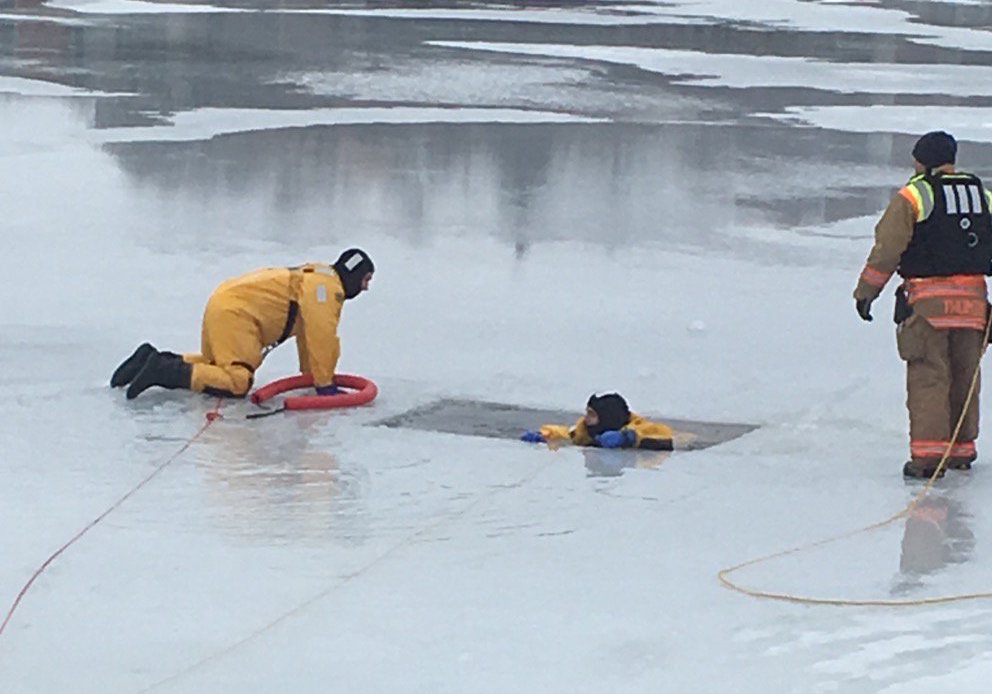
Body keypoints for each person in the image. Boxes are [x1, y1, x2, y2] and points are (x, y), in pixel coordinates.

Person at [854, 131, 992, 478]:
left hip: (929, 306)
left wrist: (866, 292)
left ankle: (929, 458)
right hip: (974, 306)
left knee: (930, 377)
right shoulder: (983, 197)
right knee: (965, 376)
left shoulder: (914, 195)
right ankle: (961, 451)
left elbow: (888, 249)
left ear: (922, 160)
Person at [111, 248, 374, 400]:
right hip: (238, 315)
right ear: (353, 276)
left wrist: (311, 378)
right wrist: (325, 384)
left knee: (216, 367)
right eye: (365, 280)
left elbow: (308, 339)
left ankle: (152, 357)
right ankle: (162, 370)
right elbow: (321, 336)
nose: (366, 288)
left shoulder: (317, 275)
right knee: (237, 381)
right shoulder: (325, 290)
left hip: (224, 303)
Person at [520, 392, 674, 450]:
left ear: (608, 418)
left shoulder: (639, 427)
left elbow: (664, 436)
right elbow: (569, 434)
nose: (586, 419)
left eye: (591, 415)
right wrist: (546, 435)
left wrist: (628, 438)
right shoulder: (585, 430)